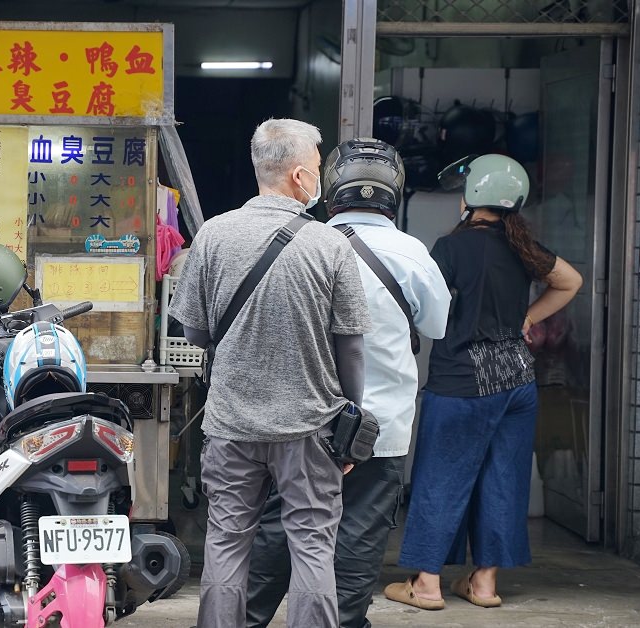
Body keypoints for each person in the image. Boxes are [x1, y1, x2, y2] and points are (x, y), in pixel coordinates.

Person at [168, 118, 372, 627]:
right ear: (301, 177)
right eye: (320, 168)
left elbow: (192, 335)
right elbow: (351, 345)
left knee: (227, 541)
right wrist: (352, 417)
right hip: (310, 428)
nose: (321, 177)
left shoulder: (213, 236)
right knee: (312, 546)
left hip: (231, 426)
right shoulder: (330, 245)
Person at [246, 138, 451, 627]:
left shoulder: (298, 241)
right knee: (357, 542)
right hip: (379, 430)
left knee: (278, 529)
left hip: (302, 422)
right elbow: (438, 326)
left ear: (332, 185)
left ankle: (243, 618)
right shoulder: (411, 253)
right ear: (394, 191)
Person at [384, 154, 582, 610]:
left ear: (471, 198)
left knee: (441, 478)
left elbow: (422, 307)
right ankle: (484, 585)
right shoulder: (523, 246)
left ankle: (428, 585)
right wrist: (525, 318)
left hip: (462, 382)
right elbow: (571, 281)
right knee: (503, 478)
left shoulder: (451, 249)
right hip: (516, 380)